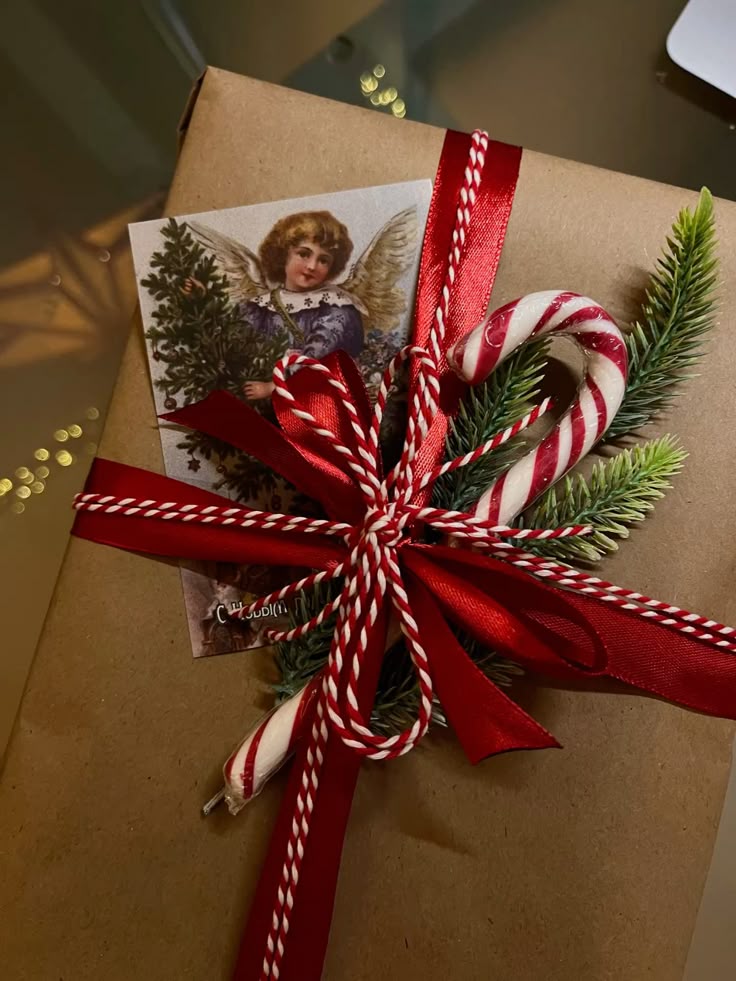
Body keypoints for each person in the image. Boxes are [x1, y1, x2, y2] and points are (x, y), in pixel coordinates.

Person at [241, 211, 366, 400]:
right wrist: (200, 296)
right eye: (304, 254)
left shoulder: (337, 306)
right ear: (283, 254)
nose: (312, 266)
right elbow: (235, 341)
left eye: (323, 260)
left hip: (316, 399)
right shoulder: (261, 306)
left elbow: (316, 358)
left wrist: (274, 387)